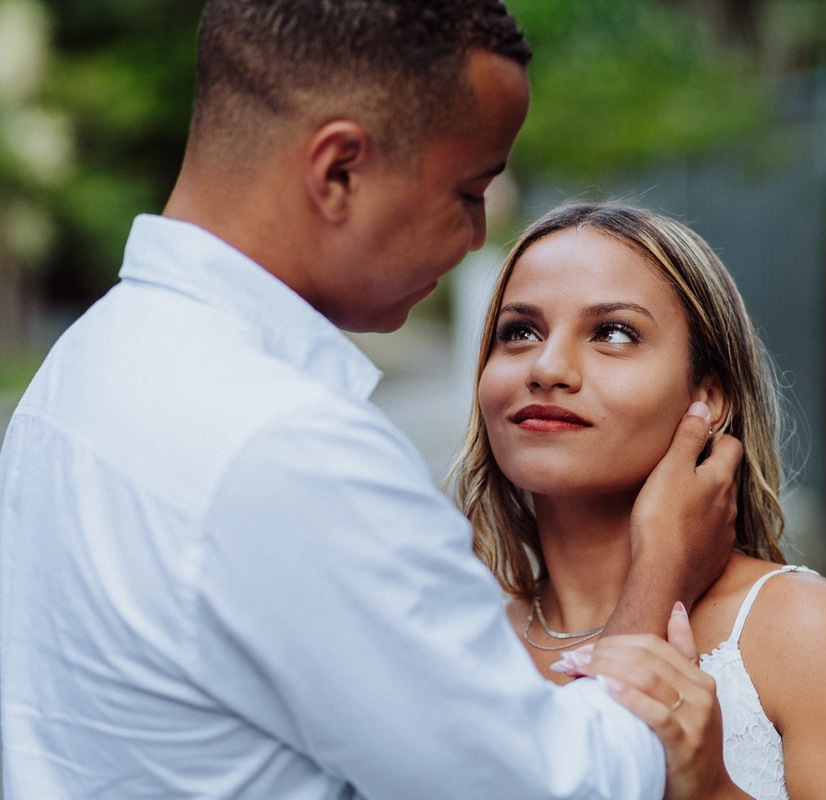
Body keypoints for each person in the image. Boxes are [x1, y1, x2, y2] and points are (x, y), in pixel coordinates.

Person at [0, 3, 744, 798]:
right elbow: (549, 787)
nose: (473, 239)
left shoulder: (79, 368)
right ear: (340, 171)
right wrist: (660, 564)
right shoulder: (290, 445)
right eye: (468, 191)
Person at [451, 202, 826, 799]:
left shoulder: (807, 635)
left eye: (613, 333)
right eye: (519, 331)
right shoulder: (457, 644)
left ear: (707, 397)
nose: (548, 368)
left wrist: (712, 790)